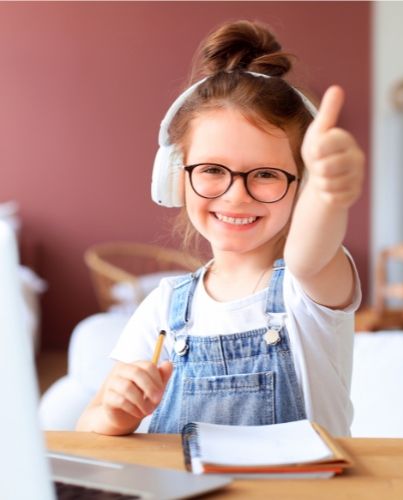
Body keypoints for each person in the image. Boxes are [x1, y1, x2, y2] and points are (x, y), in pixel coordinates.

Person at [77, 20, 364, 437]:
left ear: (301, 186)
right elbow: (88, 426)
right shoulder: (163, 307)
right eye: (212, 169)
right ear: (175, 176)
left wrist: (328, 192)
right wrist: (114, 415)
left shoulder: (309, 290)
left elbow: (307, 254)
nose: (235, 196)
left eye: (266, 174)